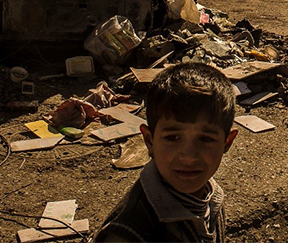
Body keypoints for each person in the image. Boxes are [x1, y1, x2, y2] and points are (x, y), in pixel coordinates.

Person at [93, 63, 238, 242]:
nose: (189, 157)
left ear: (227, 142)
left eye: (206, 139)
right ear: (149, 141)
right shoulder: (130, 233)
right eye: (173, 138)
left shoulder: (212, 197)